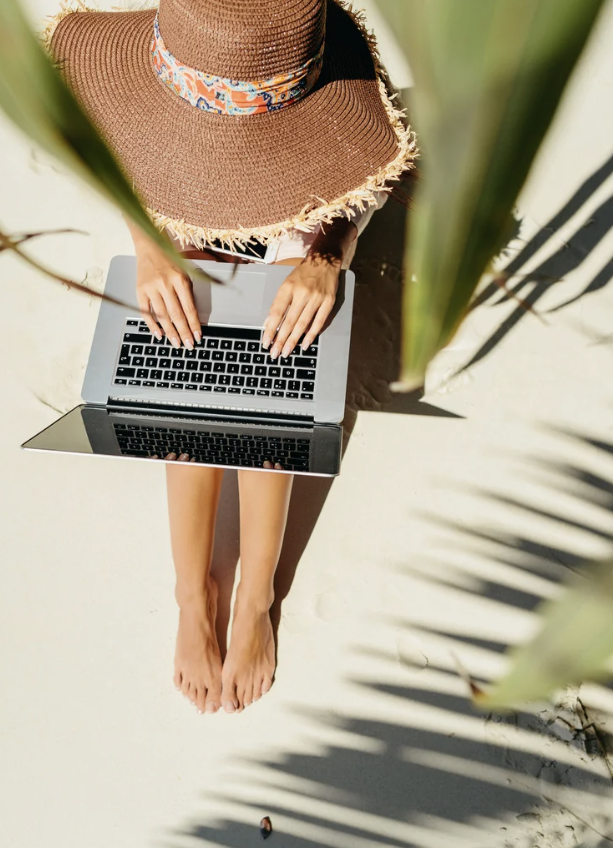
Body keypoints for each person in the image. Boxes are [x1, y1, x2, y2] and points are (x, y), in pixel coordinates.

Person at [47, 0, 415, 714]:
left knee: (277, 355)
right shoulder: (176, 65)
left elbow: (368, 181)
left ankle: (255, 595)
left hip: (303, 218)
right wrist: (147, 247)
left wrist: (328, 258)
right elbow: (103, 152)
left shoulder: (321, 80)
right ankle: (193, 592)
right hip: (180, 204)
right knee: (182, 350)